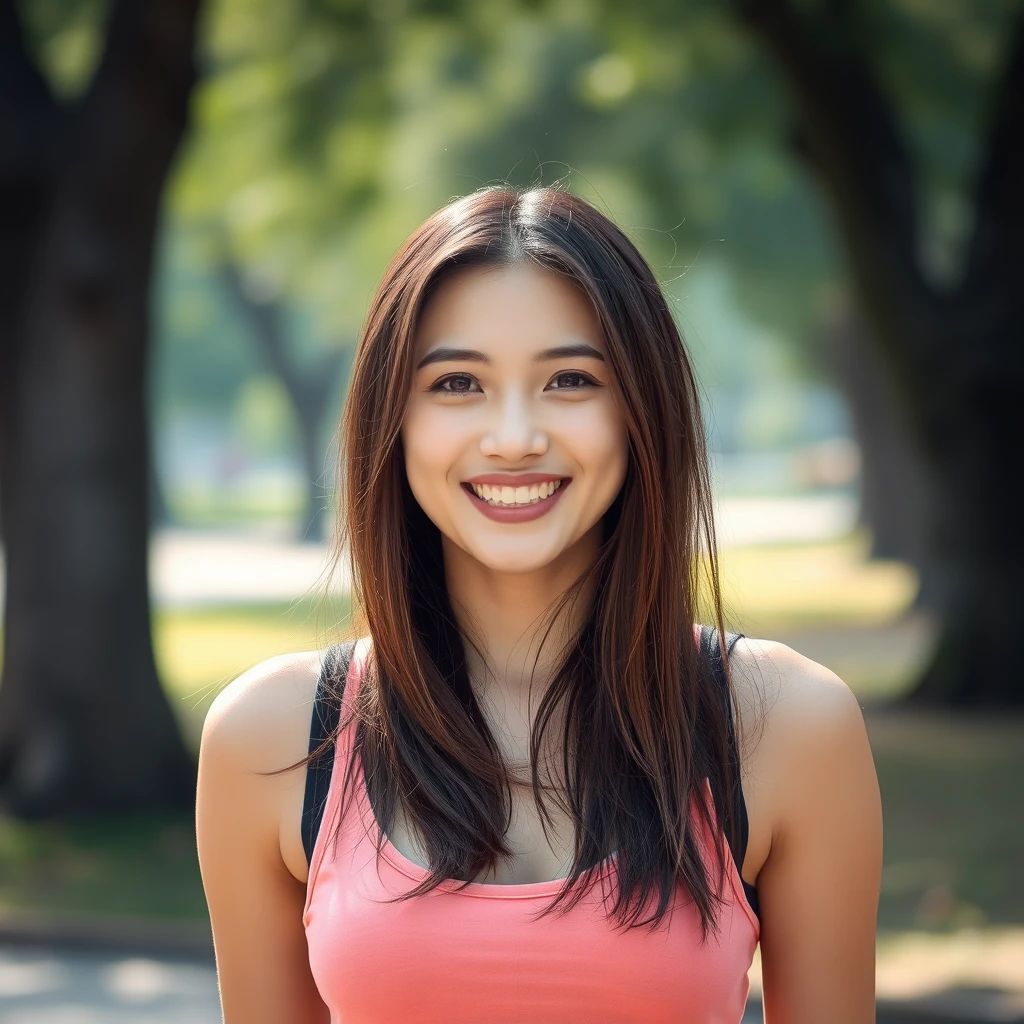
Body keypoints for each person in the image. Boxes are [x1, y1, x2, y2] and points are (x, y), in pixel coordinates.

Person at [196, 186, 883, 1023]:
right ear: (394, 419)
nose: (515, 436)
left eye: (569, 379)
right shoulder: (272, 741)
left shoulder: (788, 727)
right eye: (457, 383)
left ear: (640, 409)